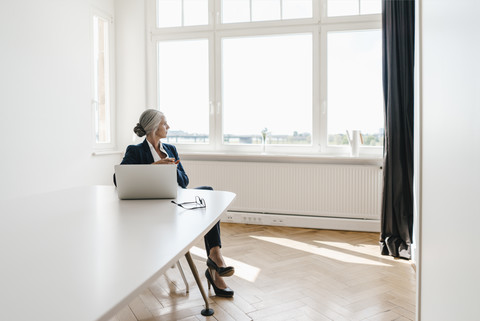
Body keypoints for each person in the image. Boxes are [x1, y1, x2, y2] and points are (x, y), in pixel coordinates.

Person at [117, 109, 234, 298]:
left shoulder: (170, 149)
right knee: (207, 199)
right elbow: (119, 179)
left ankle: (215, 256)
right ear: (154, 127)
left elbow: (185, 181)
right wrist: (152, 169)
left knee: (209, 193)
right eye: (165, 123)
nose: (168, 127)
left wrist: (173, 169)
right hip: (156, 207)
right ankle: (215, 267)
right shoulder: (135, 151)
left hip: (178, 198)